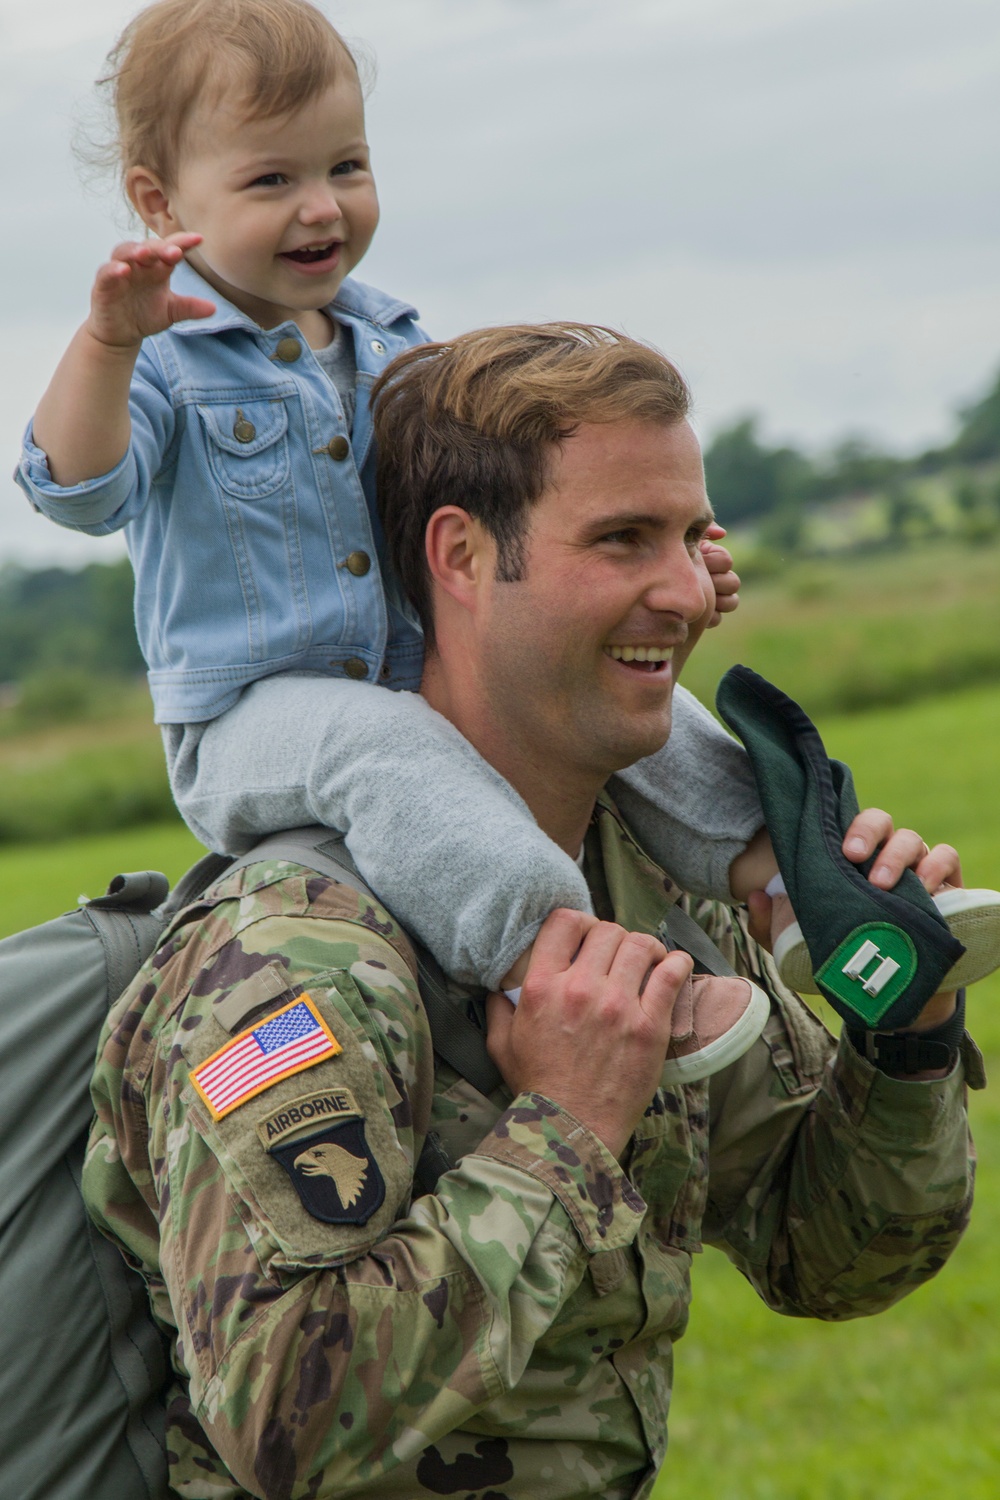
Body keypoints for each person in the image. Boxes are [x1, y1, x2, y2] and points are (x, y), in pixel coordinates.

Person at [84, 322, 979, 1500]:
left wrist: (903, 1024)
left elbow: (837, 1253)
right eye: (619, 541)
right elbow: (284, 1423)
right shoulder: (292, 954)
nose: (687, 592)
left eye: (689, 535)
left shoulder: (648, 880)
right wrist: (565, 1123)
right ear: (458, 555)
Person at [14, 0, 769, 1068]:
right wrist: (105, 342)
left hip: (409, 673)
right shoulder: (164, 363)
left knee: (622, 688)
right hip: (251, 719)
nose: (322, 206)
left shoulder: (396, 343)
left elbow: (508, 507)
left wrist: (667, 569)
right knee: (390, 750)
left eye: (347, 166)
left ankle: (788, 883)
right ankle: (555, 962)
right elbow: (77, 491)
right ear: (158, 200)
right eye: (271, 180)